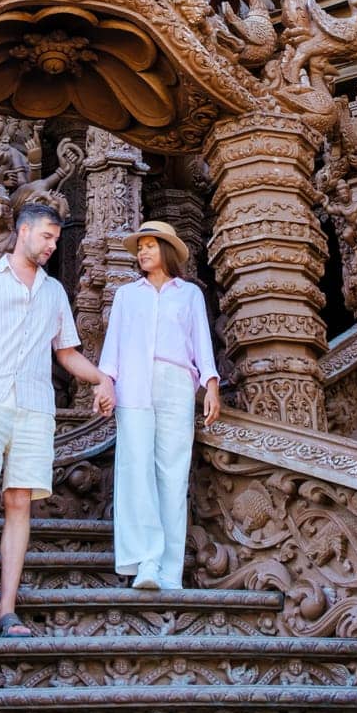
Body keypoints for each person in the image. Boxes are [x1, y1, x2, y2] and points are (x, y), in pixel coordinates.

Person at [0, 201, 115, 637]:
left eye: (56, 238)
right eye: (47, 236)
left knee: (19, 501)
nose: (53, 245)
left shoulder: (54, 292)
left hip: (36, 406)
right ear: (23, 232)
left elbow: (66, 352)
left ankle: (6, 609)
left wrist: (103, 379)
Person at [99, 220, 219, 593]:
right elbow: (112, 346)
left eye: (150, 245)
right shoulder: (126, 295)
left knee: (172, 473)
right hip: (133, 383)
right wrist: (105, 384)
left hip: (176, 384)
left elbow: (202, 342)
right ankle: (148, 561)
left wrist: (211, 385)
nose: (143, 252)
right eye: (140, 247)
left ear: (166, 250)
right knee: (138, 471)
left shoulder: (189, 295)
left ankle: (170, 570)